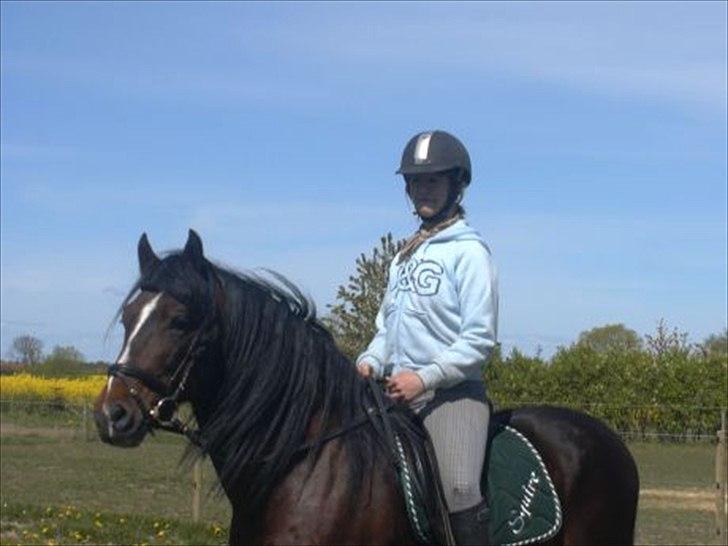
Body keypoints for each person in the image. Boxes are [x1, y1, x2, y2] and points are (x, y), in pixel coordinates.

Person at [356, 130, 498, 545]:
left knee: (458, 489)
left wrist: (424, 377)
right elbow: (387, 329)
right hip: (395, 395)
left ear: (457, 184)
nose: (424, 189)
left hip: (452, 397)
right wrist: (369, 360)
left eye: (434, 180)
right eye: (417, 181)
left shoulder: (470, 253)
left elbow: (479, 341)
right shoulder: (403, 258)